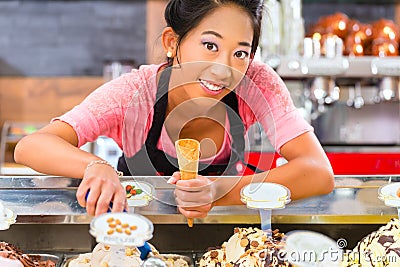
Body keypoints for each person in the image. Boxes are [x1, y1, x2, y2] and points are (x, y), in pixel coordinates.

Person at [14, 0, 334, 218]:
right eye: (210, 46)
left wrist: (220, 190)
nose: (224, 69)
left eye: (241, 52)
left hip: (224, 233)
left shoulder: (257, 82)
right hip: (139, 234)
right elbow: (32, 145)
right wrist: (96, 167)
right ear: (172, 42)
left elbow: (318, 172)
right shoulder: (134, 94)